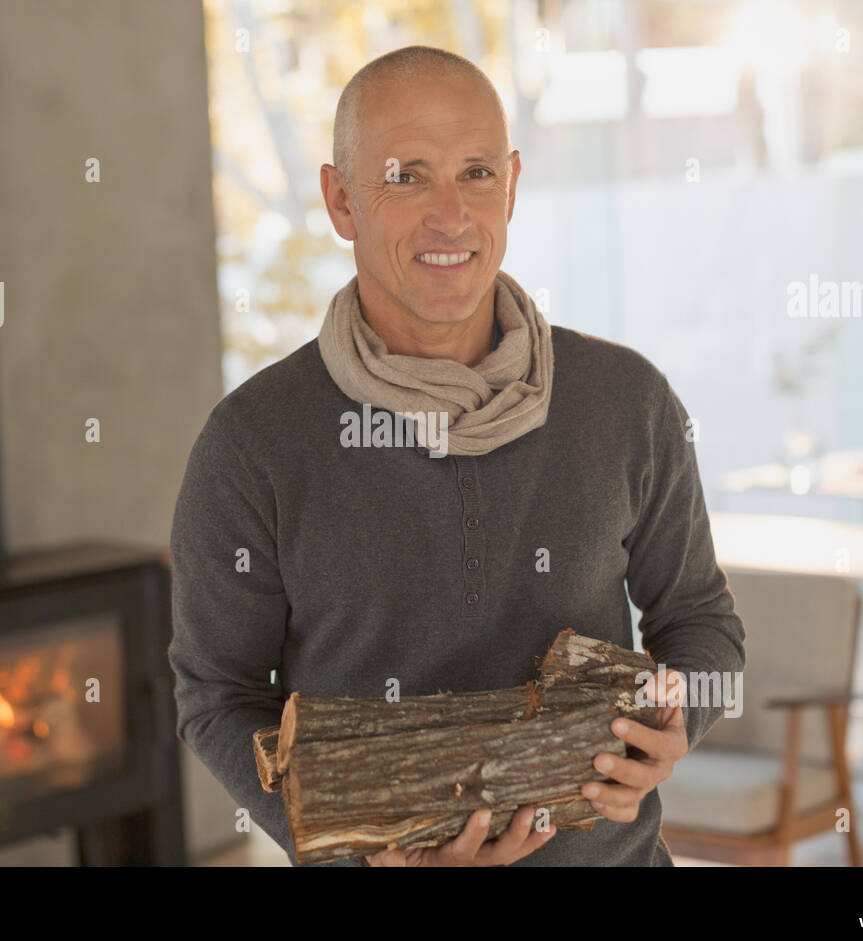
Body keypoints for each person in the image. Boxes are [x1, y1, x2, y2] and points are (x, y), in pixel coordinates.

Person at [168, 45, 745, 867]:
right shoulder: (252, 445)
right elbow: (216, 697)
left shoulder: (626, 400)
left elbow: (700, 624)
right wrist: (357, 853)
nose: (451, 216)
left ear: (510, 186)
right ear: (340, 200)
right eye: (405, 177)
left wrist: (678, 716)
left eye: (476, 174)